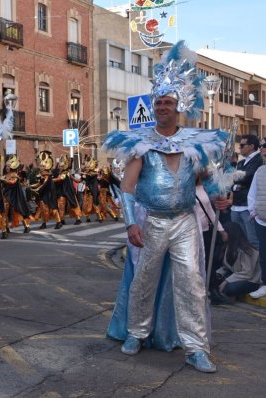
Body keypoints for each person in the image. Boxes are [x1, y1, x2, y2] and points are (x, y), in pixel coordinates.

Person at [104, 41, 230, 373]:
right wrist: (131, 224)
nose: (161, 107)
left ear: (178, 107)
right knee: (144, 278)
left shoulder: (194, 144)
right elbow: (127, 188)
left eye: (167, 102)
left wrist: (221, 193)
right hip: (153, 222)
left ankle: (195, 347)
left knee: (191, 281)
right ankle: (136, 333)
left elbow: (204, 179)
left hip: (185, 222)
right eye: (157, 102)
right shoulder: (141, 144)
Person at [211, 222, 261, 304]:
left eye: (224, 233)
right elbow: (226, 267)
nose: (222, 235)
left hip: (250, 280)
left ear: (231, 234)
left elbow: (248, 273)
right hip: (236, 276)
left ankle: (229, 295)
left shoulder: (248, 251)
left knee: (230, 288)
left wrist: (226, 281)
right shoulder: (228, 247)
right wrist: (217, 275)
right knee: (213, 282)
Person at [230, 134, 263, 248]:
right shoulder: (241, 162)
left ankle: (259, 265)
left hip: (248, 208)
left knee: (253, 241)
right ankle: (245, 266)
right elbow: (232, 182)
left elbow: (247, 177)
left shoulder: (259, 160)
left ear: (251, 146)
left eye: (242, 145)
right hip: (236, 206)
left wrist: (237, 181)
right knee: (239, 241)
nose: (240, 147)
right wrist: (236, 184)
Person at [30, 151, 62, 230]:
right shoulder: (42, 175)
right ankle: (44, 223)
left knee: (53, 208)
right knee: (43, 209)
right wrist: (30, 186)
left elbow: (43, 184)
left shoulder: (47, 175)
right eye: (40, 166)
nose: (41, 167)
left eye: (42, 166)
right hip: (44, 194)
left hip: (50, 194)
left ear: (45, 167)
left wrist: (37, 189)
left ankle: (59, 222)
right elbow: (39, 183)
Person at [248, 164, 266, 299]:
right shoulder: (260, 170)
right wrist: (254, 212)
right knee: (264, 253)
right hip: (262, 220)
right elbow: (252, 193)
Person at [1, 155, 31, 233]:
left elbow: (12, 182)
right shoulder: (4, 175)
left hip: (15, 195)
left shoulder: (14, 175)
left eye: (9, 166)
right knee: (5, 212)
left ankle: (26, 226)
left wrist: (4, 180)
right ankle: (6, 228)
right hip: (6, 195)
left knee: (19, 210)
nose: (7, 167)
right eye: (6, 166)